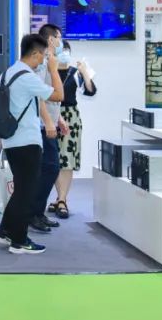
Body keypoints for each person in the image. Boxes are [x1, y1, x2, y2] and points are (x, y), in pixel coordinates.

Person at [0, 34, 63, 255]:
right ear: (35, 54)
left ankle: (4, 230)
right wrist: (53, 70)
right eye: (44, 55)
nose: (44, 60)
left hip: (11, 140)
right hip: (27, 142)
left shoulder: (4, 75)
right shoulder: (27, 77)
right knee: (26, 192)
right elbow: (58, 95)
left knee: (21, 190)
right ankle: (19, 241)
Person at [48, 41, 97, 219]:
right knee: (54, 160)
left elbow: (90, 91)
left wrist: (85, 72)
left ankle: (62, 199)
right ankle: (59, 198)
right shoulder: (48, 71)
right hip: (51, 115)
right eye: (61, 50)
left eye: (67, 50)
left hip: (71, 118)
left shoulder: (75, 73)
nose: (64, 53)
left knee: (67, 160)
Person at [29, 23, 67, 234]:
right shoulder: (43, 63)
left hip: (49, 123)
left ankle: (38, 212)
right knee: (50, 168)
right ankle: (34, 213)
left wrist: (58, 118)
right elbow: (39, 96)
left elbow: (51, 95)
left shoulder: (50, 61)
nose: (61, 41)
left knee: (49, 168)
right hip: (42, 127)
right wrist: (49, 122)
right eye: (59, 37)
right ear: (51, 39)